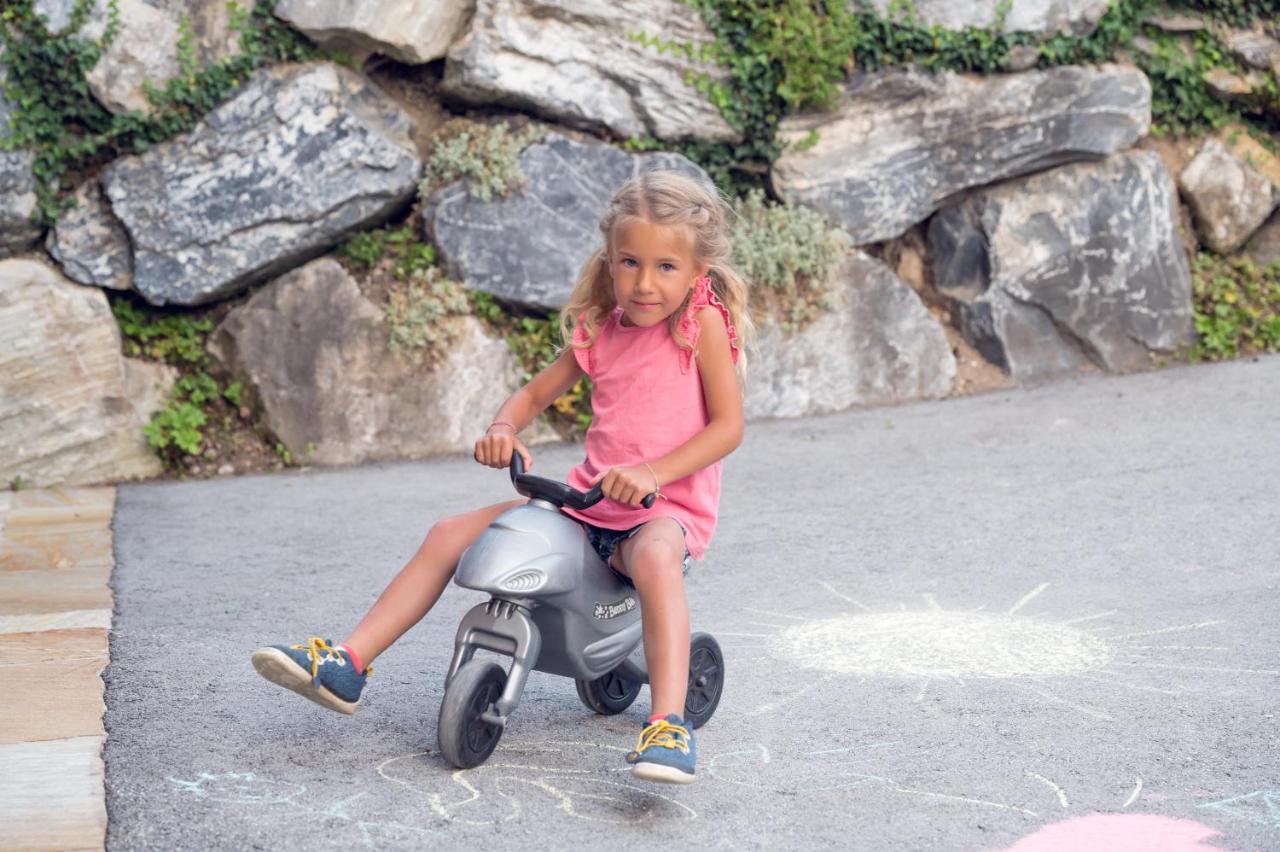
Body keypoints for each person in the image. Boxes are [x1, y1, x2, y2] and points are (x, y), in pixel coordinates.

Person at [251, 169, 751, 785]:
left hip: (661, 510)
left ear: (697, 270)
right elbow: (534, 393)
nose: (644, 283)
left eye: (665, 267)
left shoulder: (697, 328)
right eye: (630, 263)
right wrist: (503, 428)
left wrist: (651, 473)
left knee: (653, 558)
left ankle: (668, 722)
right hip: (589, 504)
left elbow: (727, 428)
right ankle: (349, 662)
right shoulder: (602, 329)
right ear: (610, 259)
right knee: (448, 533)